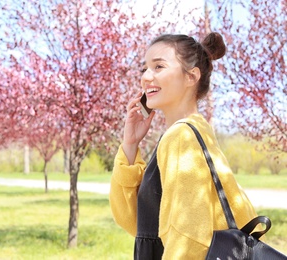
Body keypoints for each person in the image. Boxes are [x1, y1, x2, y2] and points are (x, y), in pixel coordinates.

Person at [109, 32, 258, 259]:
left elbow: (189, 236)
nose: (146, 77)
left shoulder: (181, 136)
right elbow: (138, 224)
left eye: (158, 67)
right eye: (144, 69)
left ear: (191, 77)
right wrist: (130, 145)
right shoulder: (191, 131)